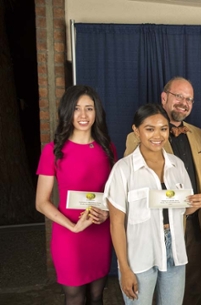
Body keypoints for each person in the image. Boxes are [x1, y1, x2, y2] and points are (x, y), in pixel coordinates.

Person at [105, 103, 201, 304]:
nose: (157, 135)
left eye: (163, 129)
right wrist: (124, 269)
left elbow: (183, 210)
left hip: (174, 251)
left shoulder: (177, 165)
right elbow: (116, 223)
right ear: (136, 130)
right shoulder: (123, 170)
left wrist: (196, 203)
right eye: (149, 129)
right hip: (140, 254)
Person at [35, 85, 116, 305]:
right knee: (75, 298)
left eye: (89, 108)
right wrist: (72, 226)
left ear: (96, 112)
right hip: (68, 234)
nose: (83, 115)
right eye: (76, 109)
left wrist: (107, 213)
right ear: (67, 112)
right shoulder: (53, 150)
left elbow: (115, 195)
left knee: (97, 296)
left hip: (100, 232)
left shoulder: (108, 148)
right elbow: (41, 202)